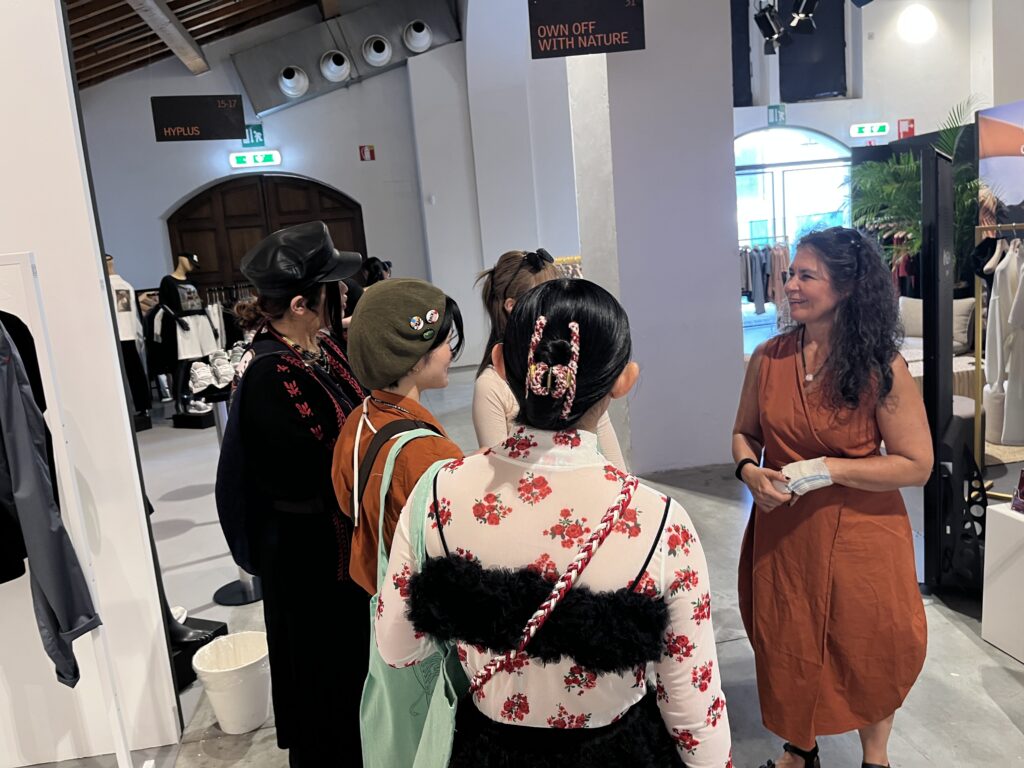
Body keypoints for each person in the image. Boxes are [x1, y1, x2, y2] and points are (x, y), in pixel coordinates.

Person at [376, 278, 733, 767]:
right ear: (624, 380)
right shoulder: (661, 524)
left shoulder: (437, 494)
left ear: (501, 365)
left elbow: (397, 648)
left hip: (489, 752)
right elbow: (693, 708)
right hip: (618, 755)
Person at [732, 227, 931, 768]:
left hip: (863, 534)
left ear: (846, 287)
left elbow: (916, 463)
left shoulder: (879, 366)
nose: (789, 285)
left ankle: (875, 757)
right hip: (786, 533)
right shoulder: (768, 358)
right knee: (788, 638)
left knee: (868, 643)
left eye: (806, 276)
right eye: (790, 274)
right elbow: (744, 433)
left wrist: (830, 469)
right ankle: (800, 748)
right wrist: (749, 471)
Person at [223, 221, 368, 768]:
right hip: (307, 562)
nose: (344, 291)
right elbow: (321, 466)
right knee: (321, 688)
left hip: (336, 549)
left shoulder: (320, 346)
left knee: (350, 679)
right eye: (333, 284)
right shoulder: (269, 374)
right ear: (302, 304)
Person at [332, 278, 466, 595]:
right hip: (422, 601)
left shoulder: (358, 419)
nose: (450, 353)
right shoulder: (429, 451)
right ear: (414, 358)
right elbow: (456, 543)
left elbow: (347, 503)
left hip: (379, 588)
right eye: (445, 342)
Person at [473, 249, 626, 467]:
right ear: (512, 307)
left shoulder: (575, 366)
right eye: (549, 300)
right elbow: (499, 468)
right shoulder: (491, 385)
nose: (561, 308)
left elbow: (613, 459)